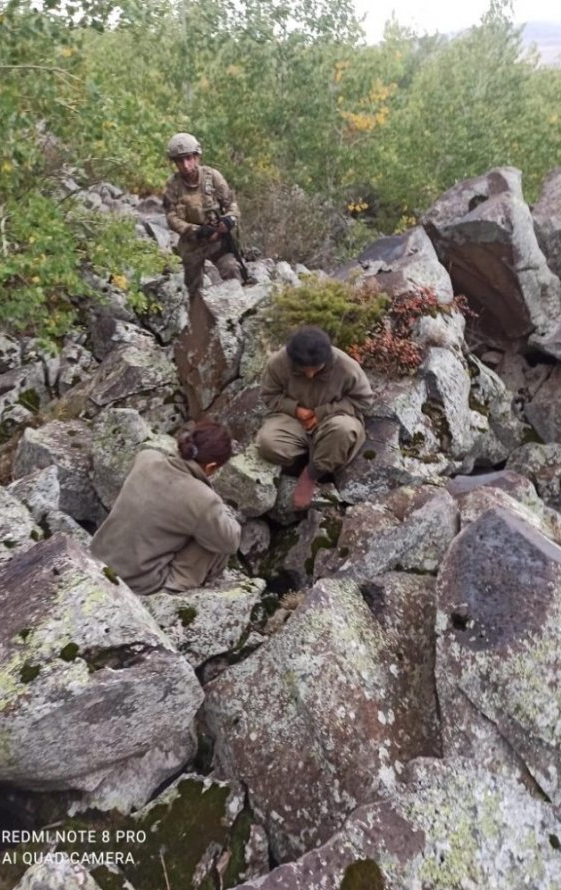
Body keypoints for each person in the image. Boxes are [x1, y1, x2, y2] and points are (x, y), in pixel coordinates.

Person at [91, 420, 241, 595]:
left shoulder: (146, 457)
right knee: (216, 536)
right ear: (211, 467)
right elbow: (231, 543)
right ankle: (172, 591)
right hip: (139, 583)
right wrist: (220, 509)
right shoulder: (203, 500)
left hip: (98, 561)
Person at [256, 325, 374, 510]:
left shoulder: (346, 366)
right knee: (267, 443)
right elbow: (269, 396)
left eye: (316, 369)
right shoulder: (278, 363)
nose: (310, 375)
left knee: (343, 430)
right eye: (303, 370)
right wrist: (296, 410)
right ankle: (305, 458)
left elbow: (364, 400)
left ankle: (312, 473)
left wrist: (321, 414)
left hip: (334, 419)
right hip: (294, 420)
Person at [163, 131, 243, 298]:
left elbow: (232, 205)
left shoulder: (212, 177)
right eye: (180, 160)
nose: (185, 164)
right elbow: (171, 218)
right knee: (194, 290)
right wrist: (196, 230)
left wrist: (229, 220)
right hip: (192, 245)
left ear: (197, 157)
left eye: (189, 158)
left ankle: (238, 312)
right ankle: (198, 322)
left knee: (232, 270)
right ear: (175, 163)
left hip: (217, 242)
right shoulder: (173, 186)